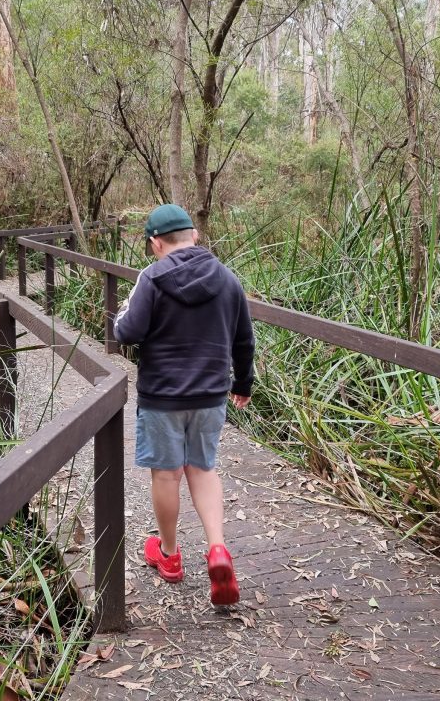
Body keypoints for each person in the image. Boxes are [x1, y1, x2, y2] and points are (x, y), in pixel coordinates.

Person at [113, 203, 254, 606]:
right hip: (211, 394)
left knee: (167, 475)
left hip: (163, 396)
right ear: (194, 235)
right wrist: (242, 382)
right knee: (203, 470)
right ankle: (217, 549)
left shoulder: (152, 278)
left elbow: (128, 330)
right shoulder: (227, 279)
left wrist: (123, 312)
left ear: (156, 242)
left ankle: (170, 556)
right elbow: (244, 338)